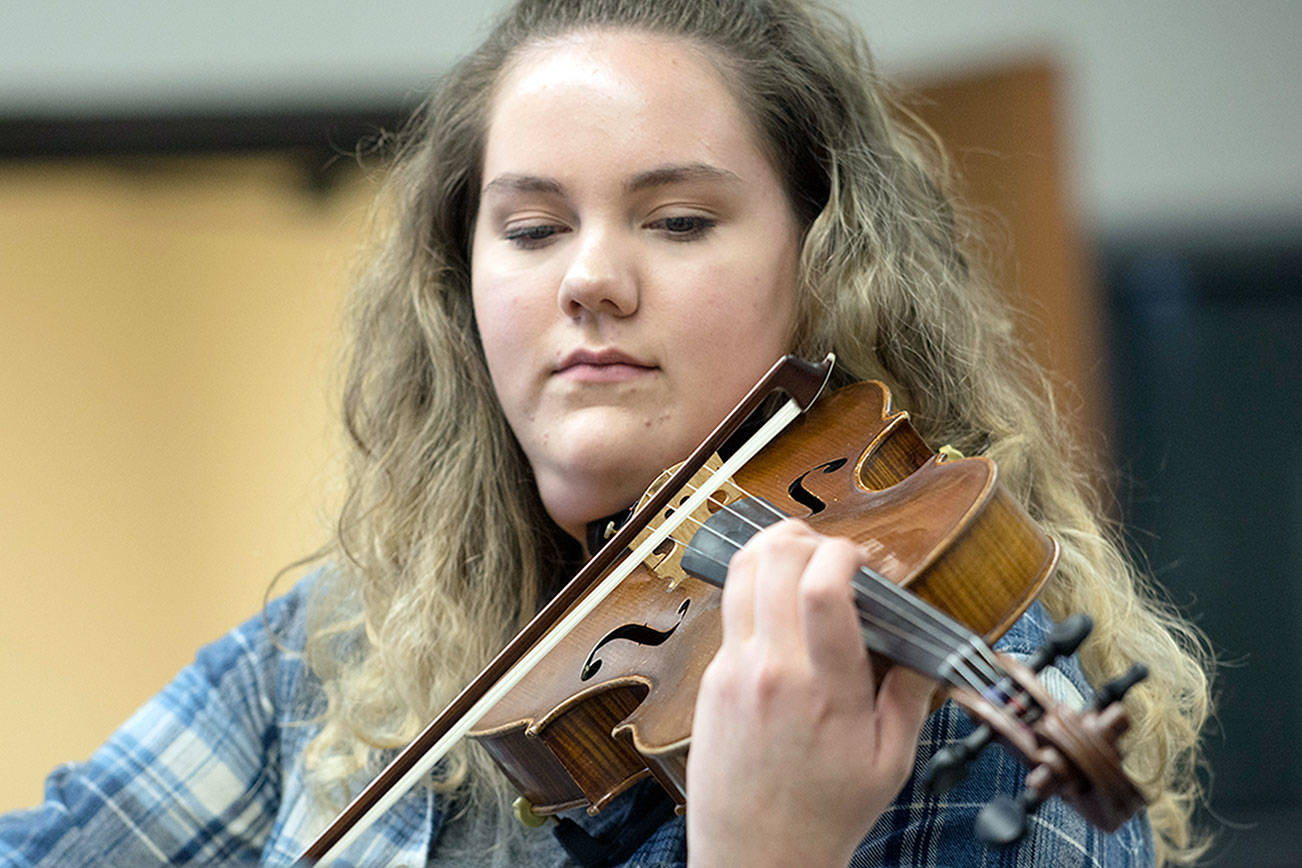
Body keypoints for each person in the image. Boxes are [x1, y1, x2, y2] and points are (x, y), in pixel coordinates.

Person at [0, 0, 1211, 865]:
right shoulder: (339, 653)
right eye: (531, 229)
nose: (590, 280)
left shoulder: (943, 712)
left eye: (678, 220)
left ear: (826, 265)